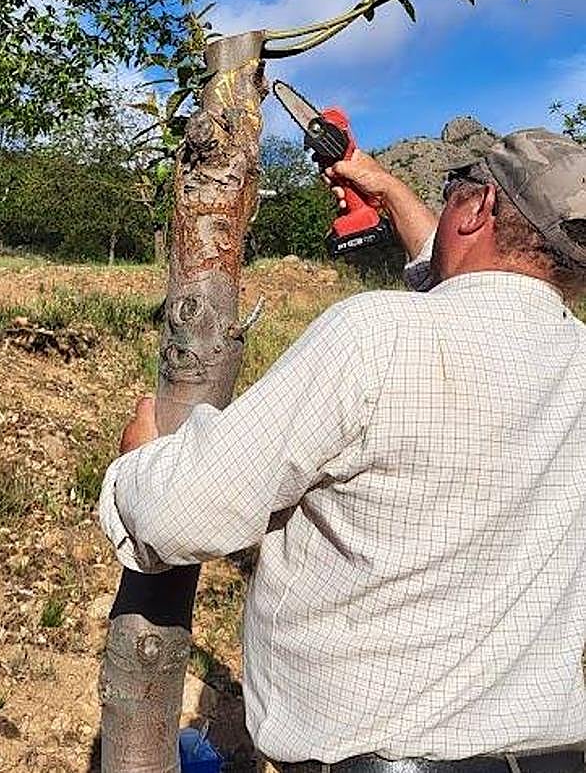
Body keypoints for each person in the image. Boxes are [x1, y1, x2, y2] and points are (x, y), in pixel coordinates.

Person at [99, 127, 586, 773]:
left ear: (476, 210)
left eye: (454, 199)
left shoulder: (375, 337)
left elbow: (180, 512)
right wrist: (383, 190)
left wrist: (140, 463)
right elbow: (467, 287)